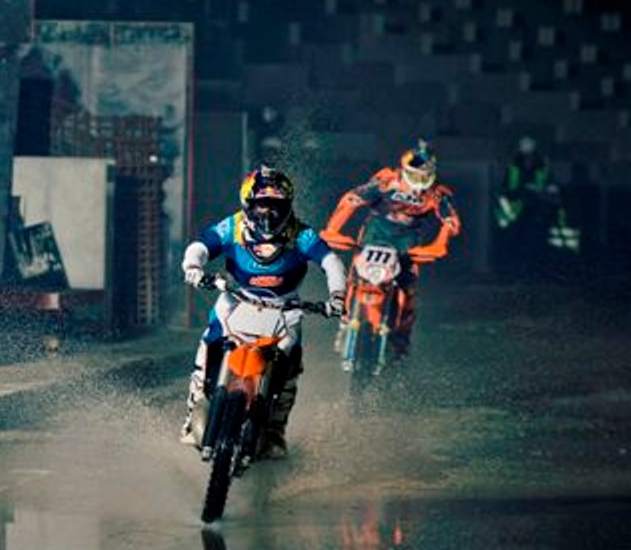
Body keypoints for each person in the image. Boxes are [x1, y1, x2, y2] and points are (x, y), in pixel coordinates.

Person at [180, 165, 347, 459]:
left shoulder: (302, 234)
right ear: (247, 205)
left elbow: (331, 262)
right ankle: (194, 410)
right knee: (208, 345)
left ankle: (274, 430)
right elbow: (200, 246)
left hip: (286, 307)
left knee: (290, 367)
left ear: (288, 206)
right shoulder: (231, 226)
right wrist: (193, 269)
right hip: (236, 300)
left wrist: (336, 297)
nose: (268, 214)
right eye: (261, 205)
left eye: (276, 206)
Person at [321, 141, 461, 360]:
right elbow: (351, 199)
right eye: (416, 176)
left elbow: (451, 220)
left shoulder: (436, 194)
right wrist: (332, 230)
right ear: (404, 170)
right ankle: (344, 324)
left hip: (407, 239)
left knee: (409, 287)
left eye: (425, 177)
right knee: (356, 275)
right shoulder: (386, 181)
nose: (419, 184)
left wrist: (440, 243)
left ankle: (402, 338)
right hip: (376, 231)